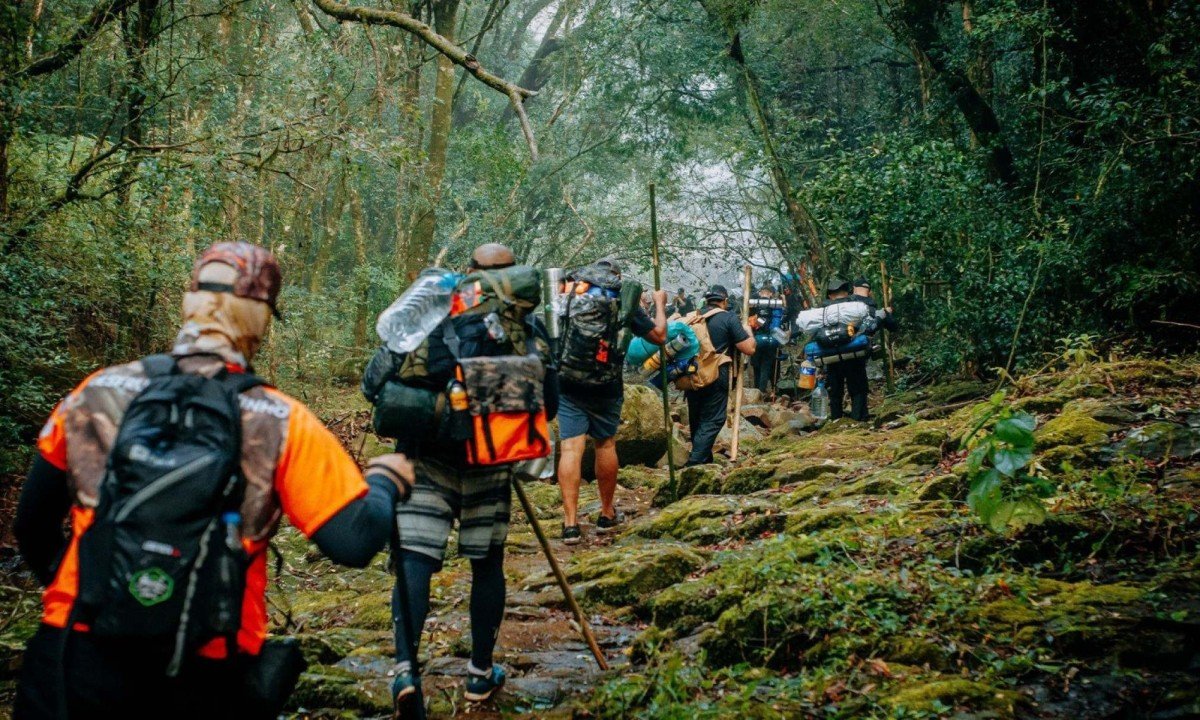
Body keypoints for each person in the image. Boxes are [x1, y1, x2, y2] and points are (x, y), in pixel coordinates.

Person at [13, 242, 415, 720]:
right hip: (210, 662)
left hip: (74, 652)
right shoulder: (279, 420)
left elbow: (31, 526)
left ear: (189, 304)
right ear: (261, 319)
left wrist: (102, 594)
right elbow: (353, 541)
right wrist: (387, 480)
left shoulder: (96, 393)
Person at [378, 242, 559, 718]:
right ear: (515, 273)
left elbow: (377, 378)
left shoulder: (434, 307)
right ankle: (480, 674)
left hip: (426, 458)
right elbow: (551, 399)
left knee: (414, 560)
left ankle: (404, 670)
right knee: (486, 563)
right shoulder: (526, 322)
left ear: (469, 270)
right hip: (491, 461)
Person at [557, 261, 666, 544]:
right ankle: (606, 513)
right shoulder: (621, 298)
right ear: (615, 276)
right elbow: (660, 336)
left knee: (570, 447)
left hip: (568, 381)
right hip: (607, 385)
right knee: (605, 444)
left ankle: (570, 524)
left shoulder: (569, 291)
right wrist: (660, 304)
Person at [683, 285, 755, 466]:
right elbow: (749, 348)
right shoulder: (728, 318)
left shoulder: (693, 318)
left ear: (706, 300)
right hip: (716, 375)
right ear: (724, 301)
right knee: (714, 418)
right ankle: (695, 461)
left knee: (697, 417)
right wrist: (748, 330)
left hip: (691, 375)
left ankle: (704, 458)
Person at [794, 278, 875, 421]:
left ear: (830, 295)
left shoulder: (822, 312)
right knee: (858, 387)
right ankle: (859, 418)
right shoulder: (855, 306)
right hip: (854, 354)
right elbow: (869, 323)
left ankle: (836, 418)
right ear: (846, 293)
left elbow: (812, 333)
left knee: (835, 389)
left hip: (831, 357)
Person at [749, 284, 783, 394]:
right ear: (771, 294)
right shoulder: (776, 306)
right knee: (766, 366)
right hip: (771, 340)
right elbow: (777, 324)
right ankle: (762, 391)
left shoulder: (754, 305)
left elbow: (748, 321)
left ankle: (756, 391)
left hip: (757, 339)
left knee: (756, 365)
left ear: (760, 293)